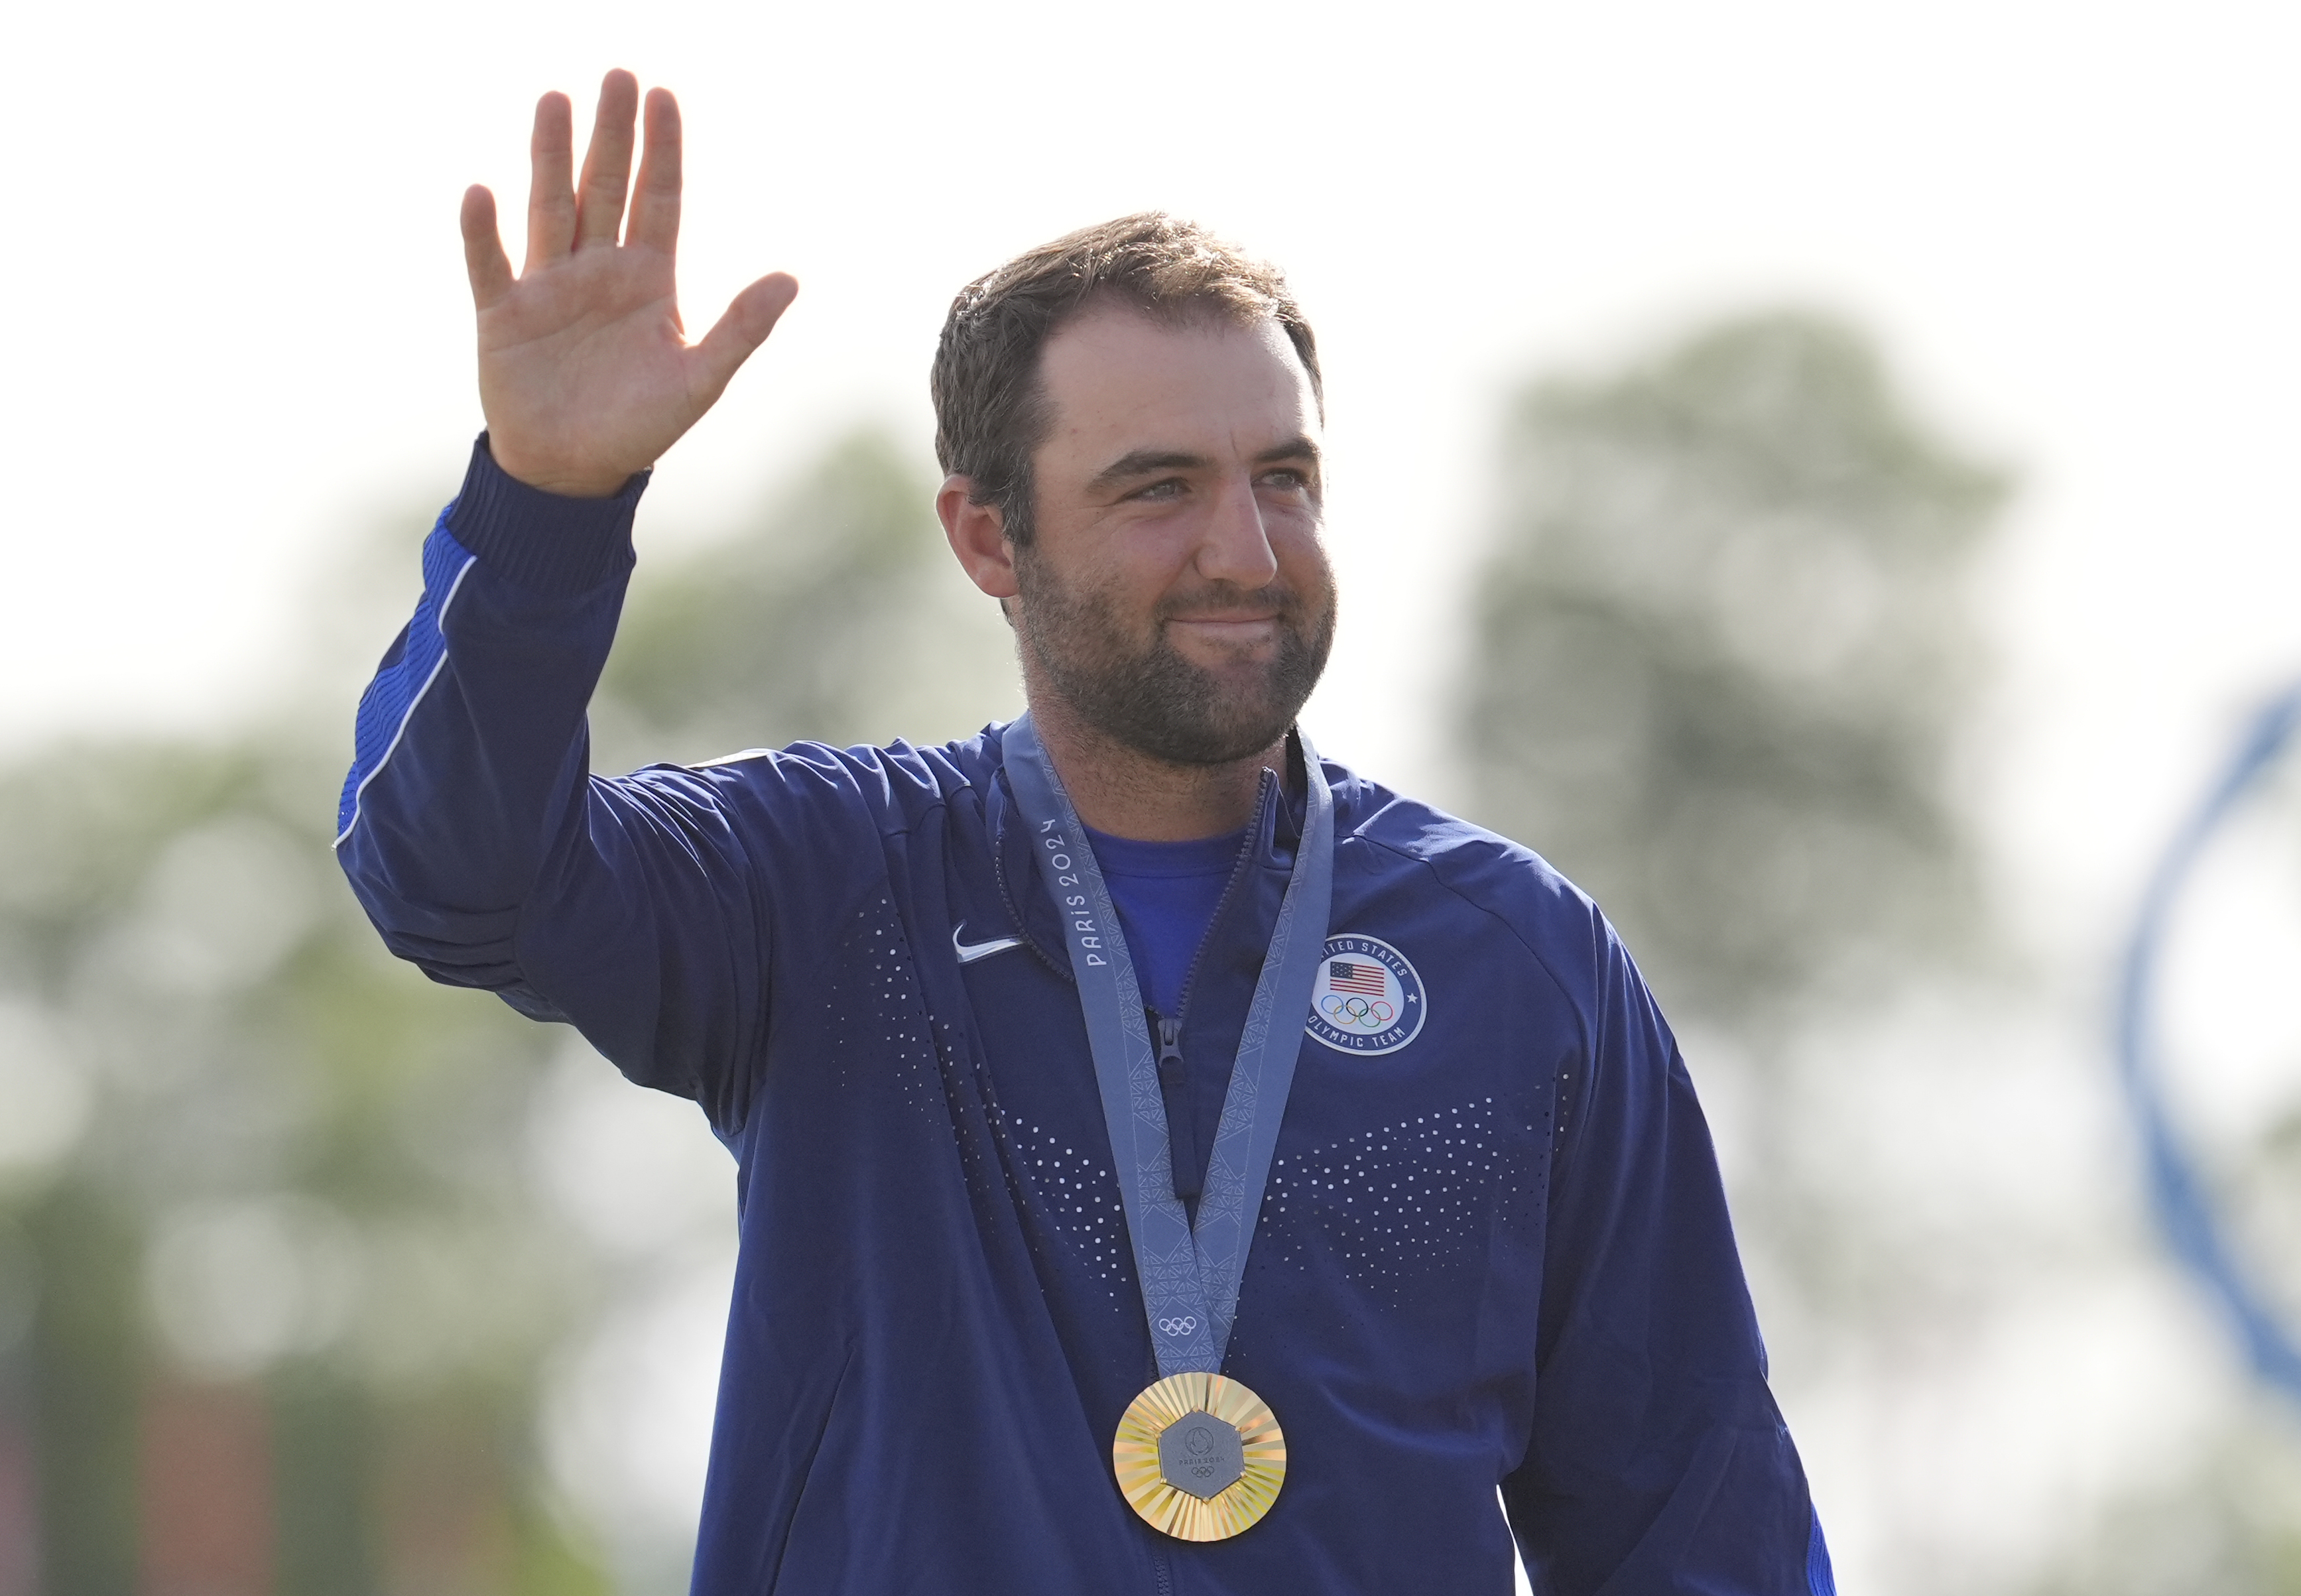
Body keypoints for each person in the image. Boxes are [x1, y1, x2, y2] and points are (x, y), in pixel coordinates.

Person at [338, 69, 1835, 1596]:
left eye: (1285, 479)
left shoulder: (1520, 962)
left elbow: (1698, 1527)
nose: (1243, 551)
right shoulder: (827, 884)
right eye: (1159, 490)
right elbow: (455, 880)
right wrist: (546, 509)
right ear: (990, 535)